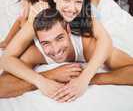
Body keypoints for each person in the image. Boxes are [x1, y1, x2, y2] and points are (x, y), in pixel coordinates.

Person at [0, 0, 112, 101]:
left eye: (78, 1)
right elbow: (6, 58)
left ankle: (94, 0)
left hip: (89, 11)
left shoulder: (85, 15)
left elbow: (106, 40)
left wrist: (85, 78)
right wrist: (41, 81)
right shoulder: (43, 17)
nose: (71, 8)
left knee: (93, 8)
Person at [0, 8, 133, 101]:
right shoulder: (35, 52)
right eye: (46, 43)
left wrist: (89, 78)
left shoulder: (88, 46)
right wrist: (49, 76)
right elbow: (2, 87)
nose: (56, 49)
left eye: (59, 38)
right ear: (38, 41)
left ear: (68, 31)